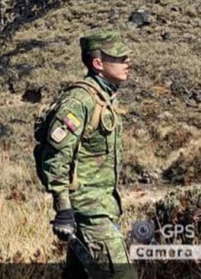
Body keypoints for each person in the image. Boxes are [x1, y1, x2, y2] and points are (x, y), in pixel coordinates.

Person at [38, 30, 136, 278]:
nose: (127, 62)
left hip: (100, 207)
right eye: (119, 58)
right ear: (98, 63)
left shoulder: (103, 98)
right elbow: (56, 156)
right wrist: (63, 209)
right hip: (89, 212)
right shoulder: (79, 101)